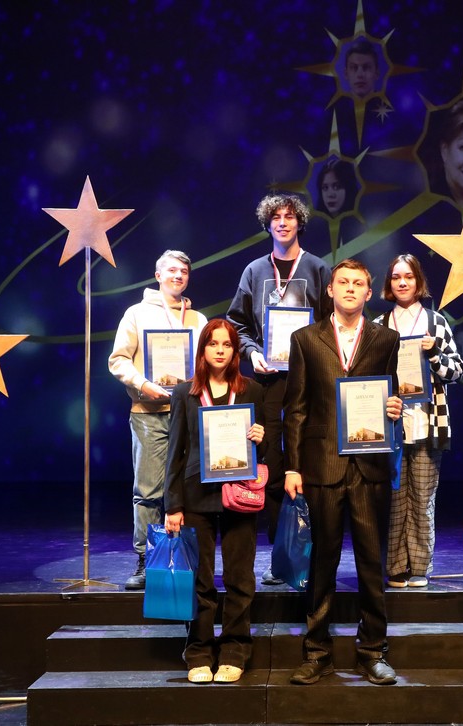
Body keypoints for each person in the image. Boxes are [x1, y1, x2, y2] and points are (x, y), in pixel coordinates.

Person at [283, 258, 403, 686]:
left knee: (372, 562)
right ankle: (317, 652)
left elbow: (389, 394)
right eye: (343, 282)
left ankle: (372, 651)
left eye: (358, 283)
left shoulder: (387, 339)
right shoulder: (305, 339)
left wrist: (394, 408)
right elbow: (296, 408)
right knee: (322, 564)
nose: (350, 288)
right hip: (322, 466)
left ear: (369, 293)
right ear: (330, 290)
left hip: (369, 465)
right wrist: (292, 466)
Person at [226, 193, 332, 586]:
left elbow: (331, 323)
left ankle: (310, 553)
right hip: (269, 380)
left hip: (311, 382)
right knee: (271, 468)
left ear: (300, 222)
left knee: (309, 464)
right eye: (276, 217)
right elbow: (236, 323)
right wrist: (252, 352)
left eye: (290, 216)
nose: (283, 222)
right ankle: (278, 558)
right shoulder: (255, 270)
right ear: (267, 224)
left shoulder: (318, 268)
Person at [164, 319, 266, 684]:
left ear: (235, 351)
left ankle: (235, 650)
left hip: (239, 495)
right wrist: (172, 505)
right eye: (213, 343)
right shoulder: (184, 393)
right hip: (196, 496)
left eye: (227, 344)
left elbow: (266, 449)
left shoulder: (252, 390)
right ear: (203, 349)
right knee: (200, 580)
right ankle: (199, 652)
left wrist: (261, 436)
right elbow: (175, 451)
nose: (220, 350)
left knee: (240, 577)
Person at [108, 250, 208, 590]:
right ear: (158, 275)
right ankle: (146, 560)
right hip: (149, 414)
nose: (178, 276)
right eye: (172, 270)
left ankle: (186, 559)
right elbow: (118, 360)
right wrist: (143, 385)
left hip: (189, 415)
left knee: (190, 490)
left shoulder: (198, 319)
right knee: (149, 491)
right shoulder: (136, 314)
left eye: (184, 271)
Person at [372, 254, 463, 589]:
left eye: (408, 277)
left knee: (423, 499)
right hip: (391, 424)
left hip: (428, 424)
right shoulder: (379, 325)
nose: (402, 282)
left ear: (418, 281)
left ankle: (420, 567)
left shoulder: (436, 322)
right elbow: (369, 376)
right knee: (395, 500)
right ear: (389, 283)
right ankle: (396, 566)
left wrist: (435, 353)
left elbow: (457, 371)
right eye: (396, 277)